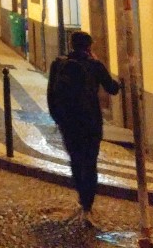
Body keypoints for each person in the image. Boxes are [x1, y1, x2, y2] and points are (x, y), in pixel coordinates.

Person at [47, 31, 122, 225]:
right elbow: (112, 88)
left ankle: (82, 199)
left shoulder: (59, 64)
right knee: (90, 162)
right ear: (89, 46)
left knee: (75, 159)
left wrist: (59, 119)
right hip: (90, 122)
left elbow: (50, 94)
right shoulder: (94, 65)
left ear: (71, 45)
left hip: (68, 123)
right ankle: (88, 206)